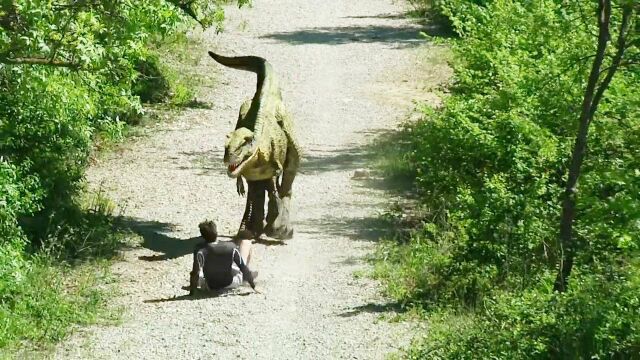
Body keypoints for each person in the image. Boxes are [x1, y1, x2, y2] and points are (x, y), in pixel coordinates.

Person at [189, 220, 257, 295]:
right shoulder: (230, 246)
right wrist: (253, 286)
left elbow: (195, 272)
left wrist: (192, 292)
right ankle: (246, 278)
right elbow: (243, 267)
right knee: (246, 242)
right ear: (216, 233)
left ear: (203, 236)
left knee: (202, 272)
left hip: (211, 285)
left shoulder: (200, 250)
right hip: (231, 283)